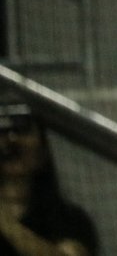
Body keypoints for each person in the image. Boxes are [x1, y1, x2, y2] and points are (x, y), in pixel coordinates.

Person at [0, 97, 98, 256]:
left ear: (43, 150)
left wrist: (6, 224)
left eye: (22, 130)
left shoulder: (69, 219)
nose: (11, 140)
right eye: (2, 131)